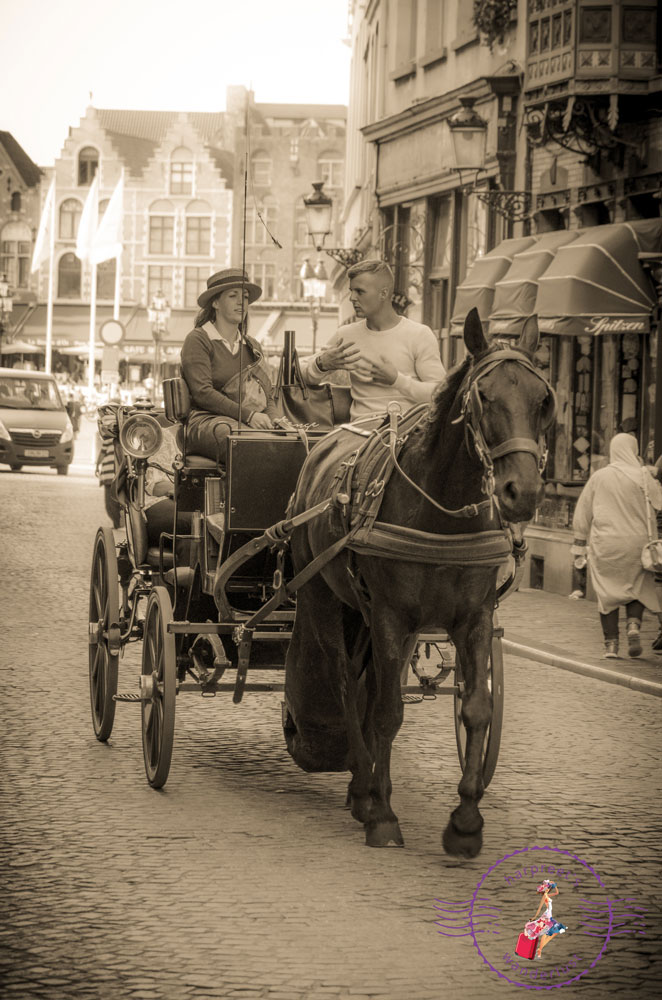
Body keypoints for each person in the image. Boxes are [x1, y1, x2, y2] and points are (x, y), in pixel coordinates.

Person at [300, 259, 446, 421]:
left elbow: (440, 394)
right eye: (351, 291)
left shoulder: (419, 335)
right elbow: (298, 371)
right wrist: (321, 364)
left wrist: (397, 380)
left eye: (360, 292)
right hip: (360, 433)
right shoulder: (347, 335)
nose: (352, 298)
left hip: (408, 432)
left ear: (383, 293)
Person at [572, 433, 662, 658]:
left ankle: (611, 646)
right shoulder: (642, 475)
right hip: (637, 544)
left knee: (607, 593)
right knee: (638, 587)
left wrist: (579, 542)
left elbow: (584, 510)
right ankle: (633, 625)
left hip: (606, 544)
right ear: (634, 449)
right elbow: (659, 502)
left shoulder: (599, 476)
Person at [180, 268, 280, 461]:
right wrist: (249, 416)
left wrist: (276, 420)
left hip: (245, 422)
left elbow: (268, 396)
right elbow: (203, 393)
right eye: (233, 296)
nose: (241, 302)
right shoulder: (199, 339)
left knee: (289, 443)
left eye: (244, 296)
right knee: (247, 442)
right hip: (204, 422)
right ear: (215, 303)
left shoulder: (253, 346)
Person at [532, 881, 567, 959]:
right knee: (546, 933)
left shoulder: (547, 895)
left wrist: (555, 885)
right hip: (547, 916)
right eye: (547, 888)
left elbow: (557, 892)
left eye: (548, 888)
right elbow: (539, 908)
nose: (548, 889)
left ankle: (540, 949)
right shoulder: (544, 896)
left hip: (549, 916)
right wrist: (535, 916)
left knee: (554, 932)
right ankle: (539, 950)